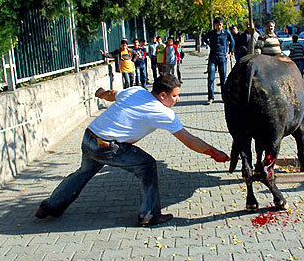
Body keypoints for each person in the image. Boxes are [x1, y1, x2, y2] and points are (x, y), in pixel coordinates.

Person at [35, 74, 230, 226]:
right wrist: (213, 152)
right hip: (107, 146)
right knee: (147, 166)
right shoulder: (163, 112)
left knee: (83, 172)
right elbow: (189, 140)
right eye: (175, 96)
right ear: (163, 95)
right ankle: (149, 215)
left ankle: (50, 206)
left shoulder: (137, 90)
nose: (177, 99)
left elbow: (112, 95)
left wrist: (101, 93)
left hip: (89, 136)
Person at [203, 17, 235, 105]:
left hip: (222, 57)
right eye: (217, 25)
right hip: (213, 57)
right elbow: (204, 38)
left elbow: (232, 42)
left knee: (223, 79)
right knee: (211, 78)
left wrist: (229, 53)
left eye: (220, 25)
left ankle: (224, 97)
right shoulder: (212, 33)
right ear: (215, 25)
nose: (219, 27)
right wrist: (209, 44)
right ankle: (210, 97)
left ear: (222, 25)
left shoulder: (226, 33)